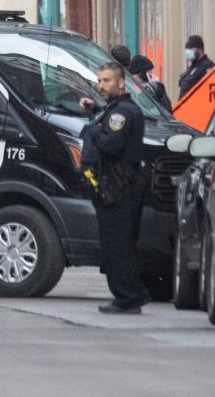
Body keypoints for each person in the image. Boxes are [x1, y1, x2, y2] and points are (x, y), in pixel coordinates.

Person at [80, 62, 149, 314]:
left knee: (118, 245)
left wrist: (94, 129)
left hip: (119, 187)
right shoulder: (116, 110)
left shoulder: (122, 113)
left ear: (121, 83)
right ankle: (131, 294)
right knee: (120, 244)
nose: (101, 86)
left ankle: (127, 297)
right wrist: (95, 115)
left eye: (107, 81)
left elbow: (111, 145)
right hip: (118, 187)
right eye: (99, 81)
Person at [177, 35, 214, 101]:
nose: (188, 52)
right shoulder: (193, 67)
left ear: (200, 50)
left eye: (191, 48)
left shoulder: (207, 67)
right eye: (187, 49)